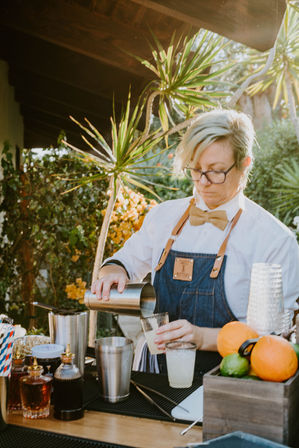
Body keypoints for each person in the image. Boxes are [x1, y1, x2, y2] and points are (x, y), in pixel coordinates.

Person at [92, 109, 299, 375]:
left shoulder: (274, 240)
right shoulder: (163, 216)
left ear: (245, 164)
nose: (202, 182)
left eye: (215, 172)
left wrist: (201, 337)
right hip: (155, 374)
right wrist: (112, 271)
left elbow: (274, 337)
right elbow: (125, 261)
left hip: (229, 380)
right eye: (196, 169)